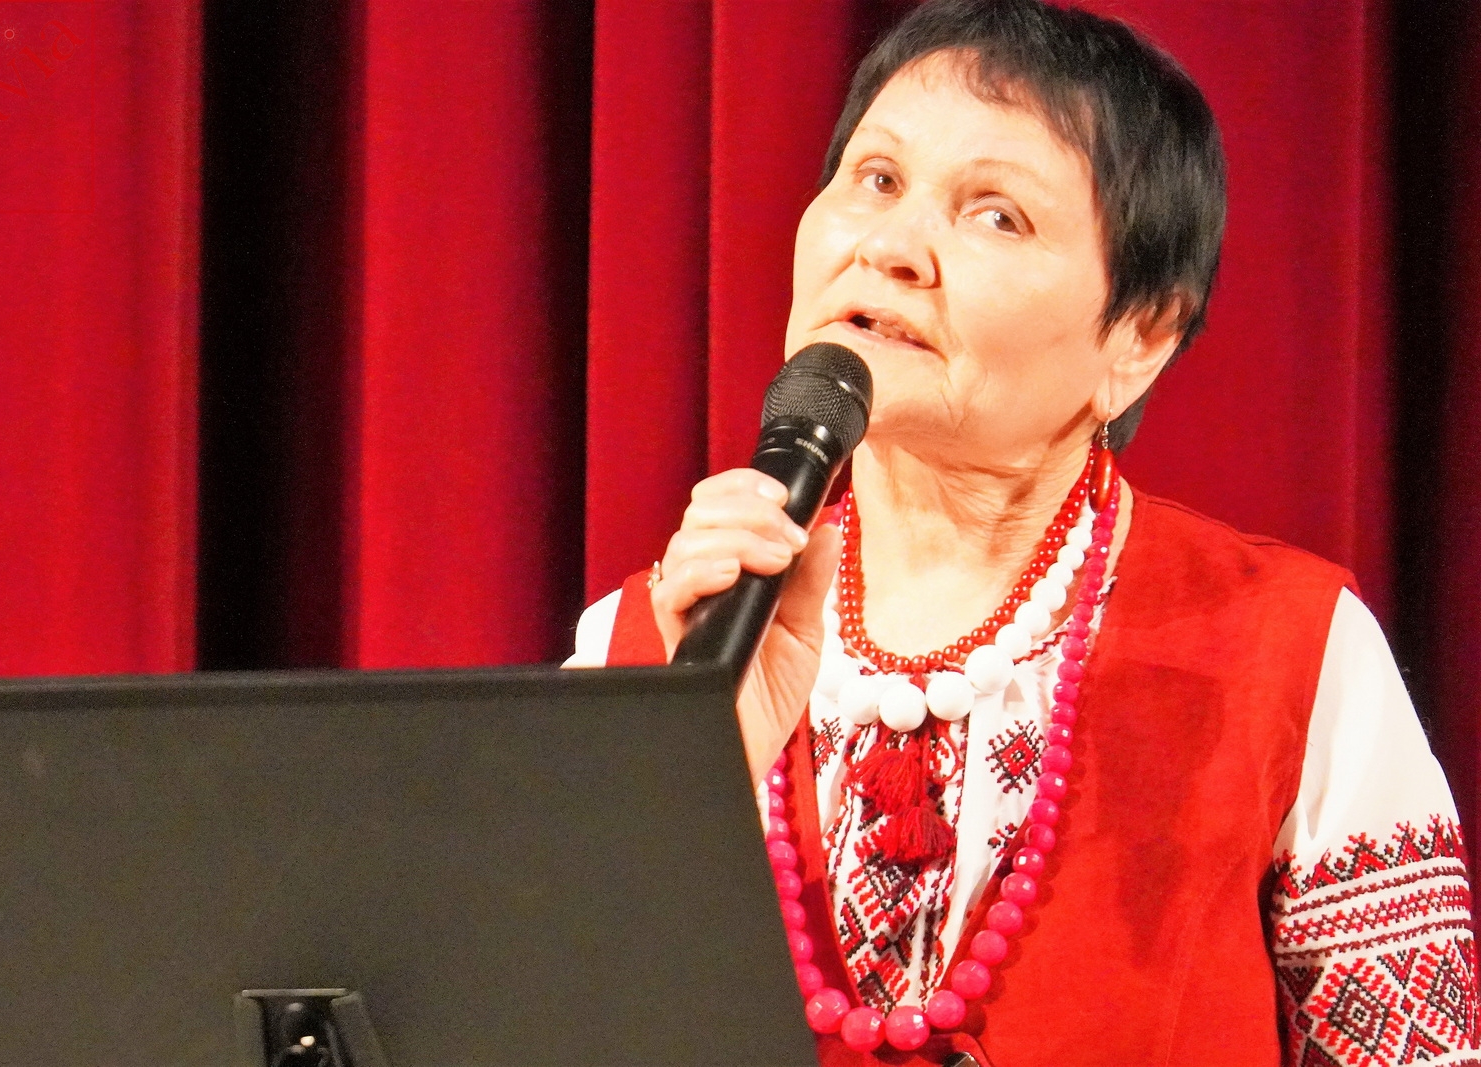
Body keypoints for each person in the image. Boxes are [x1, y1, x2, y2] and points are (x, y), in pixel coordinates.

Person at [566, 1, 1479, 1063]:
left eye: (995, 215)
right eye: (875, 179)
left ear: (1137, 336)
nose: (891, 247)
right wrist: (683, 763)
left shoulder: (1291, 650)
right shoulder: (642, 647)